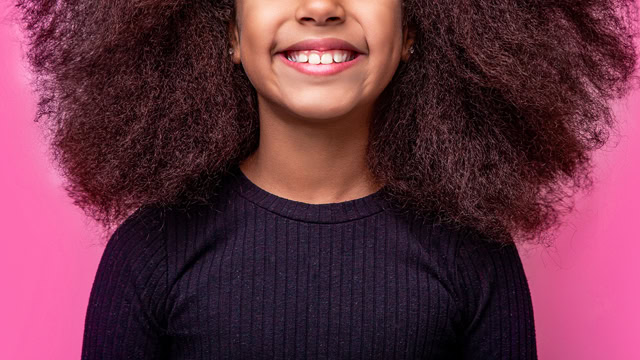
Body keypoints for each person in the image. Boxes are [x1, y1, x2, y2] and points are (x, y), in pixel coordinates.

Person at [13, 0, 639, 358]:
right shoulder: (151, 252)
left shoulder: (473, 253)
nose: (319, 7)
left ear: (416, 29)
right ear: (230, 33)